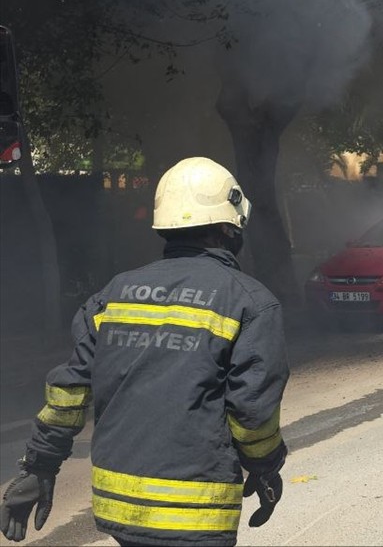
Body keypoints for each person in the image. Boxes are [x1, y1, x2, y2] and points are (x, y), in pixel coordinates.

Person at [0, 157, 289, 546]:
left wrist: (40, 465)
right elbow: (252, 414)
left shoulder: (113, 294)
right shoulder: (250, 302)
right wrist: (267, 467)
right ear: (229, 225)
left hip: (118, 508)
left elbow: (70, 391)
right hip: (196, 512)